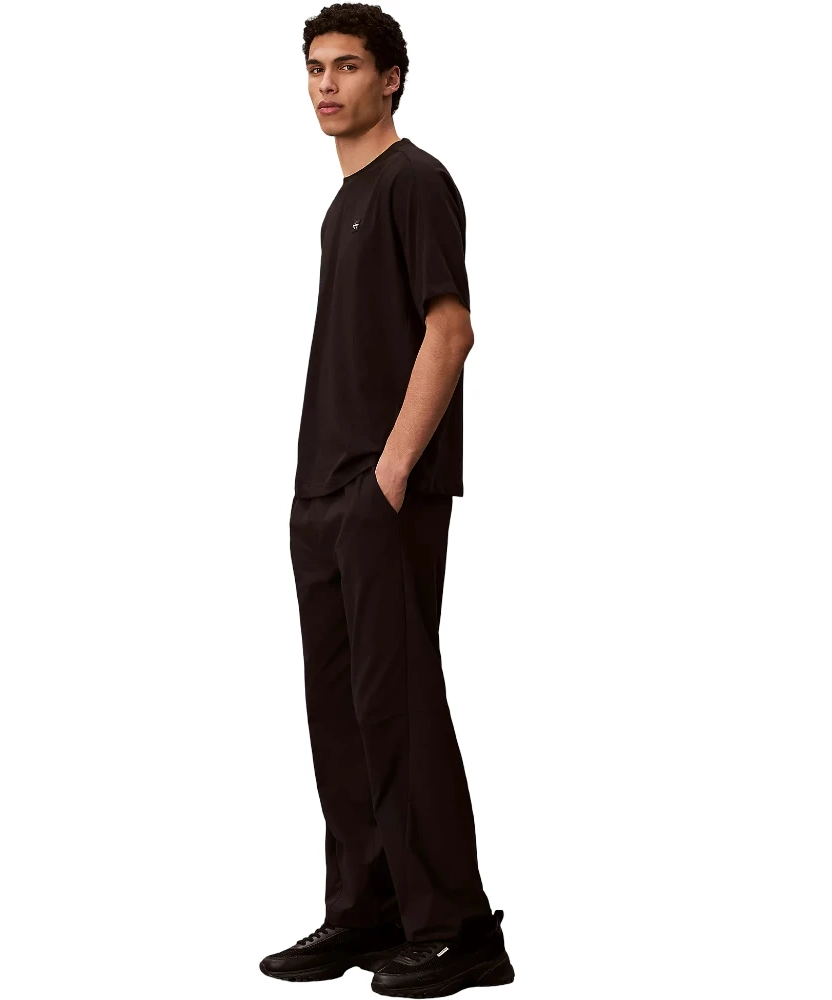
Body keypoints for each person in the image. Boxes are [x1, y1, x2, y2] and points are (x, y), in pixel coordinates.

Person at [260, 6, 514, 996]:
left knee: (397, 705)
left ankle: (460, 929)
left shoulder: (416, 181)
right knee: (340, 714)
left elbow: (450, 332)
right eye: (315, 68)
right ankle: (366, 911)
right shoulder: (342, 204)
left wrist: (390, 477)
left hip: (380, 490)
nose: (326, 85)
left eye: (348, 66)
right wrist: (326, 493)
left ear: (392, 77)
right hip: (321, 492)